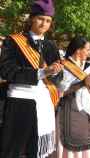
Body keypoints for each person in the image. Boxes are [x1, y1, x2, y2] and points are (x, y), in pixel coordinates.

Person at [0, 0, 63, 157]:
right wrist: (41, 73)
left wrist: (55, 72)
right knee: (12, 150)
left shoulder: (51, 46)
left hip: (44, 103)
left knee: (36, 151)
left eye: (48, 20)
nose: (44, 23)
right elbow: (7, 71)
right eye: (40, 18)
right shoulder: (13, 41)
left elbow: (58, 76)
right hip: (20, 102)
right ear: (31, 19)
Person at [57, 36, 90, 158]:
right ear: (78, 50)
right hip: (69, 108)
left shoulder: (89, 66)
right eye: (88, 49)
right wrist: (82, 83)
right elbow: (60, 92)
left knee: (87, 139)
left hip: (87, 108)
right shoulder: (64, 65)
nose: (89, 52)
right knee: (73, 139)